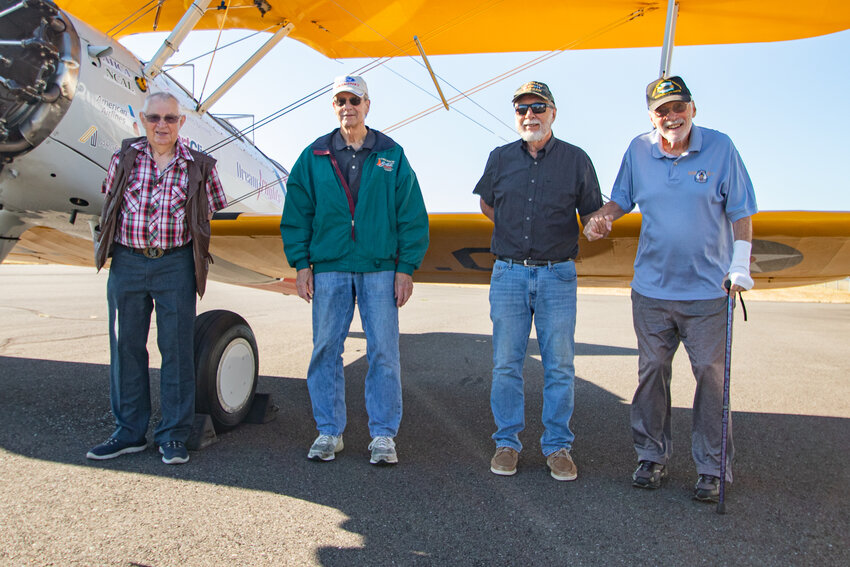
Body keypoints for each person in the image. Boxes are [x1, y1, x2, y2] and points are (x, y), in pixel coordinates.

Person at [583, 76, 757, 501]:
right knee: (652, 373)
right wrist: (601, 217)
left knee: (712, 378)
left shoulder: (721, 147)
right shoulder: (638, 150)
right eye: (662, 110)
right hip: (652, 291)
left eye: (678, 107)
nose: (671, 116)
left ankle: (712, 467)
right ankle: (651, 455)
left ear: (692, 108)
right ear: (651, 116)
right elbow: (621, 198)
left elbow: (741, 210)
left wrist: (739, 264)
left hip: (708, 293)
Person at [280, 75, 429, 466]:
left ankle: (382, 435)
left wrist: (405, 267)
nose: (348, 106)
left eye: (355, 99)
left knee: (384, 352)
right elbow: (297, 213)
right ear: (333, 107)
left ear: (368, 105)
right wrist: (301, 264)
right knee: (326, 349)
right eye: (340, 100)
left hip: (380, 269)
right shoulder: (313, 156)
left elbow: (411, 214)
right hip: (329, 268)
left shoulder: (392, 154)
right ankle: (329, 432)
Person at [87, 92, 228, 465]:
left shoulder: (200, 166)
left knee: (177, 351)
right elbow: (109, 197)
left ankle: (173, 435)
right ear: (142, 122)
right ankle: (129, 432)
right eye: (154, 118)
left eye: (169, 118)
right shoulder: (124, 158)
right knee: (126, 347)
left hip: (175, 264)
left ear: (181, 123)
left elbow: (211, 207)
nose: (161, 125)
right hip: (127, 263)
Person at [473, 81, 602, 480]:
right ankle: (507, 443)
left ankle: (558, 446)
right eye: (522, 109)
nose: (530, 115)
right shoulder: (499, 158)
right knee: (505, 364)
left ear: (553, 113)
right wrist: (512, 234)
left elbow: (592, 211)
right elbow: (486, 203)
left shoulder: (577, 159)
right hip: (508, 272)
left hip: (557, 275)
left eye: (538, 107)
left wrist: (597, 225)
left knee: (560, 365)